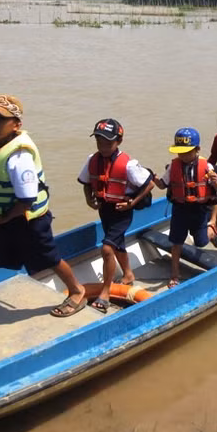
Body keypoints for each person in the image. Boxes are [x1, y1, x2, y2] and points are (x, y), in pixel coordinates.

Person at [0, 95, 88, 332]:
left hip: (30, 219)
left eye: (0, 120)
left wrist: (4, 217)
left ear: (16, 124)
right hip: (8, 217)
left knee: (50, 258)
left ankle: (77, 291)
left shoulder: (19, 157)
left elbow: (27, 199)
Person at [78, 118, 154, 312]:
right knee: (117, 244)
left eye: (107, 142)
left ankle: (105, 292)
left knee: (107, 249)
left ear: (118, 141)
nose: (102, 146)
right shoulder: (92, 160)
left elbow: (149, 184)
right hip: (105, 209)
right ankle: (128, 274)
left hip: (122, 212)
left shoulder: (128, 165)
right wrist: (89, 199)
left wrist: (132, 203)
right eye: (99, 142)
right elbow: (86, 183)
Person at [153, 128, 217, 288]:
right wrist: (153, 179)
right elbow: (162, 185)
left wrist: (214, 180)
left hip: (199, 211)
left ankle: (211, 229)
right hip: (180, 210)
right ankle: (175, 275)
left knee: (201, 243)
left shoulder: (207, 166)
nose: (182, 156)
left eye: (186, 152)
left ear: (197, 150)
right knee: (176, 243)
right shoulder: (174, 166)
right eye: (180, 153)